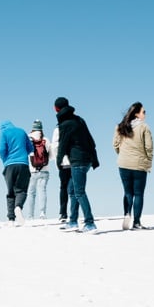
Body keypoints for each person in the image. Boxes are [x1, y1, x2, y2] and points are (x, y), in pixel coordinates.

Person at [56, 97, 99, 232]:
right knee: (72, 190)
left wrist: (58, 161)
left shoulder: (65, 124)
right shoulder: (79, 120)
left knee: (79, 191)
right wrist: (93, 158)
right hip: (86, 159)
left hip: (77, 160)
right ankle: (73, 221)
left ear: (56, 109)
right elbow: (91, 141)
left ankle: (90, 223)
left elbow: (62, 145)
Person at [113, 102, 153, 230]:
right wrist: (148, 161)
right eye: (143, 112)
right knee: (139, 193)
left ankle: (126, 214)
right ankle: (136, 222)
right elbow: (149, 147)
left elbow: (115, 144)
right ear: (137, 114)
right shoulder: (144, 127)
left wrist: (122, 154)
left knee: (128, 192)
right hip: (139, 165)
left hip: (123, 163)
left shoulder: (120, 127)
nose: (145, 114)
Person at [0, 120, 33, 224]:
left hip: (9, 165)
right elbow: (31, 148)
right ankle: (18, 207)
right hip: (23, 164)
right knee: (21, 190)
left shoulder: (3, 133)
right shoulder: (22, 131)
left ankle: (11, 219)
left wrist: (5, 160)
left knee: (10, 192)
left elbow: (1, 148)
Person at [51, 100, 74, 223]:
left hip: (64, 162)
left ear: (56, 109)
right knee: (75, 188)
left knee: (63, 187)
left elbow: (55, 146)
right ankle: (74, 214)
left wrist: (57, 161)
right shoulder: (76, 122)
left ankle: (63, 213)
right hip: (76, 161)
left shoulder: (58, 128)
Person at [26, 120, 51, 220]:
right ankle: (42, 213)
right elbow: (51, 154)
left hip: (31, 170)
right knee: (42, 191)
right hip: (44, 169)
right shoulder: (45, 139)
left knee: (31, 193)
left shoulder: (28, 138)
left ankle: (30, 216)